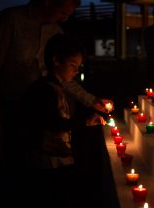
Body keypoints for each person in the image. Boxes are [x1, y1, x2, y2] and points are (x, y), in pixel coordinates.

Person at [0, 0, 113, 167]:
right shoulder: (12, 20)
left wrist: (93, 101)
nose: (64, 19)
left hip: (46, 114)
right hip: (12, 109)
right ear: (47, 2)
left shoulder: (55, 31)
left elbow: (65, 78)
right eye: (62, 13)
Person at [20, 33, 106, 206]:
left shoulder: (56, 86)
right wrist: (85, 122)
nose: (76, 71)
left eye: (79, 66)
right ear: (56, 61)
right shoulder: (44, 90)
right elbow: (52, 123)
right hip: (47, 160)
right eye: (73, 65)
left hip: (58, 157)